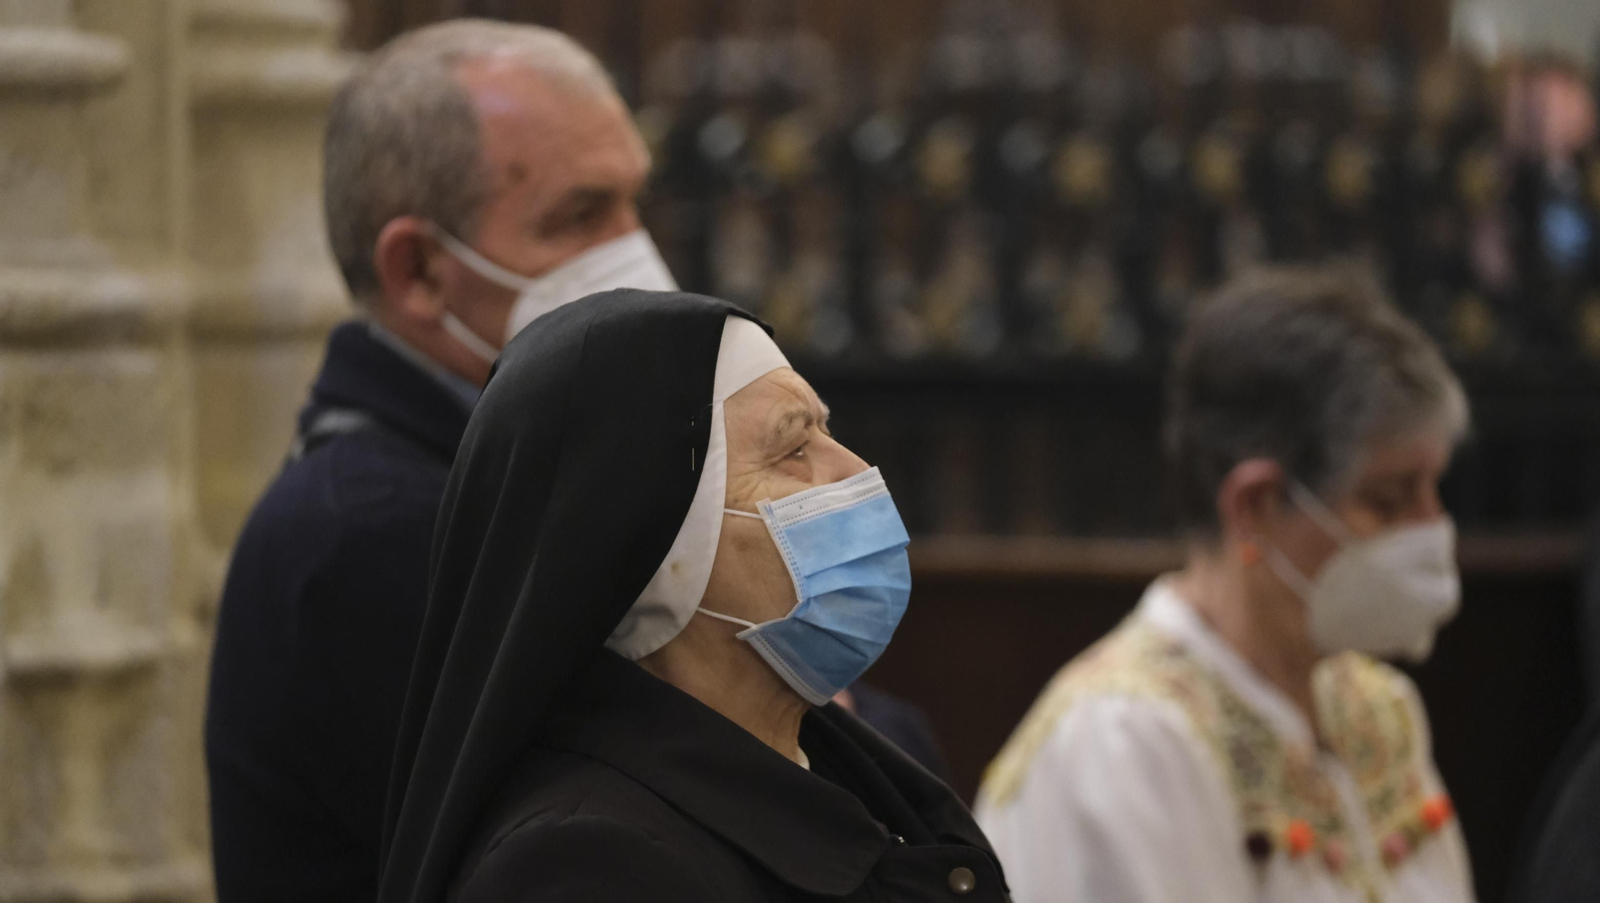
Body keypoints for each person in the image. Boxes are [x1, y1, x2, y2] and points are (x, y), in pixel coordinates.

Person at [203, 20, 676, 903]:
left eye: (632, 203)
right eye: (581, 215)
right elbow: (648, 843)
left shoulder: (522, 480)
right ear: (419, 270)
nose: (635, 253)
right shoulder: (376, 535)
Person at [376, 290, 1007, 903]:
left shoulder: (856, 770)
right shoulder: (588, 868)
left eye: (827, 433)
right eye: (793, 449)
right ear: (654, 547)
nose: (855, 471)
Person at [975, 265, 1477, 903]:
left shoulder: (1378, 709)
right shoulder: (1123, 743)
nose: (1431, 527)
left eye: (1434, 488)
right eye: (1388, 498)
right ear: (1257, 505)